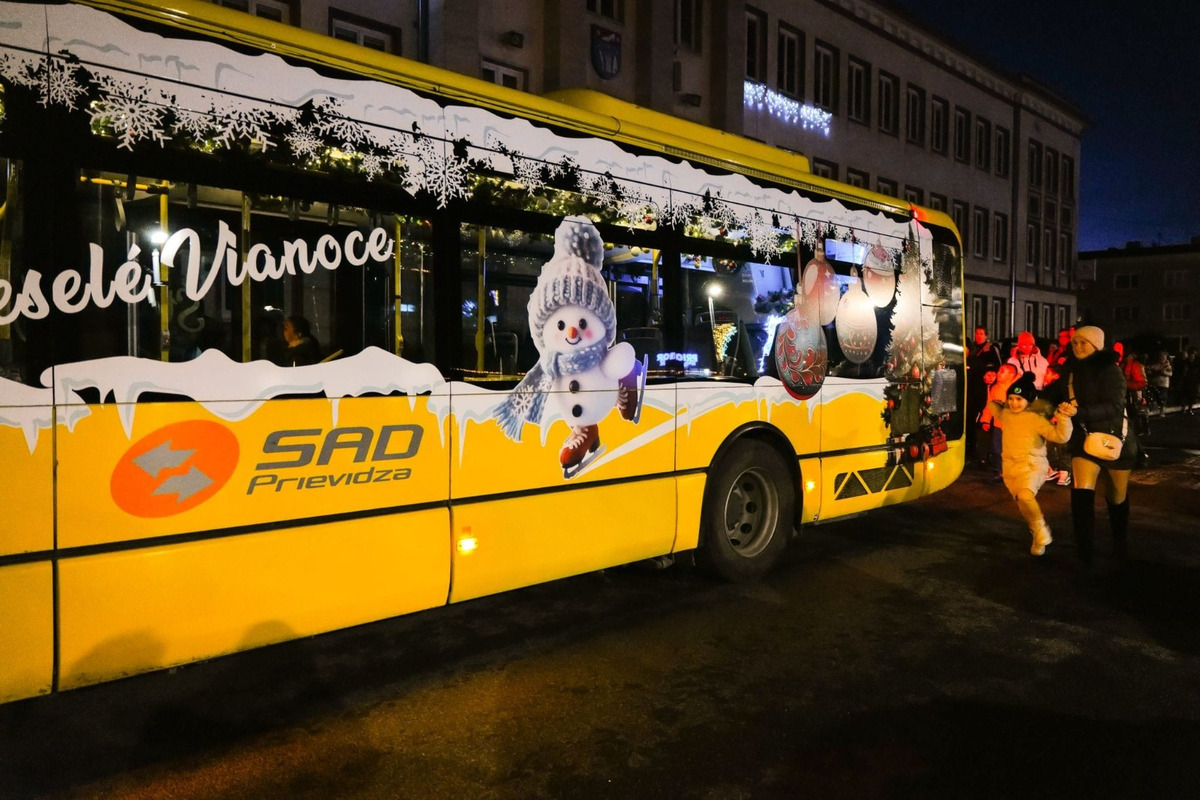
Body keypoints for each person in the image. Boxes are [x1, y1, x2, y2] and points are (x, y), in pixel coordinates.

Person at [1044, 325, 1140, 566]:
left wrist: (1079, 412)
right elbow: (1052, 394)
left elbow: (1115, 407)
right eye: (1074, 342)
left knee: (1116, 497)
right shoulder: (1070, 369)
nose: (1077, 347)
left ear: (1096, 345)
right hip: (1084, 439)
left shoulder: (1111, 370)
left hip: (1115, 440)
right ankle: (1084, 551)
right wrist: (1024, 401)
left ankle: (1120, 545)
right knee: (1081, 493)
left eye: (1083, 343)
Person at [987, 371, 1074, 555]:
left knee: (1026, 496)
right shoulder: (1007, 414)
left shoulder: (1035, 418)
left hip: (1032, 465)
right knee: (1024, 504)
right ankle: (1037, 536)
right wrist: (997, 396)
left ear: (1029, 400)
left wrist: (1064, 418)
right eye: (1011, 398)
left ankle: (1042, 529)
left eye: (1019, 399)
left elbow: (1060, 435)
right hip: (1011, 468)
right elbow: (992, 406)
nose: (1013, 403)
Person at [966, 326, 1003, 466]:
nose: (978, 336)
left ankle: (986, 455)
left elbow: (998, 366)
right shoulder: (974, 349)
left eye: (981, 334)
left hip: (987, 387)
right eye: (976, 333)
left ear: (986, 335)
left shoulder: (991, 348)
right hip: (976, 389)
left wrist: (991, 376)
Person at [980, 362, 1018, 482]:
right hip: (998, 425)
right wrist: (985, 420)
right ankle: (999, 472)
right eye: (999, 370)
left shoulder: (1018, 388)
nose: (998, 373)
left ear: (1011, 374)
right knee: (996, 449)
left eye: (1002, 371)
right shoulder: (995, 388)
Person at [1145, 351, 1172, 416]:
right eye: (1161, 357)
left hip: (1163, 384)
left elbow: (1170, 373)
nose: (1162, 359)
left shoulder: (1167, 365)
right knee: (1153, 396)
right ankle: (1151, 408)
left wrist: (1163, 372)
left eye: (1163, 357)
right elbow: (1149, 368)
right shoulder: (1155, 364)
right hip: (1155, 383)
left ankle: (1162, 411)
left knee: (1162, 398)